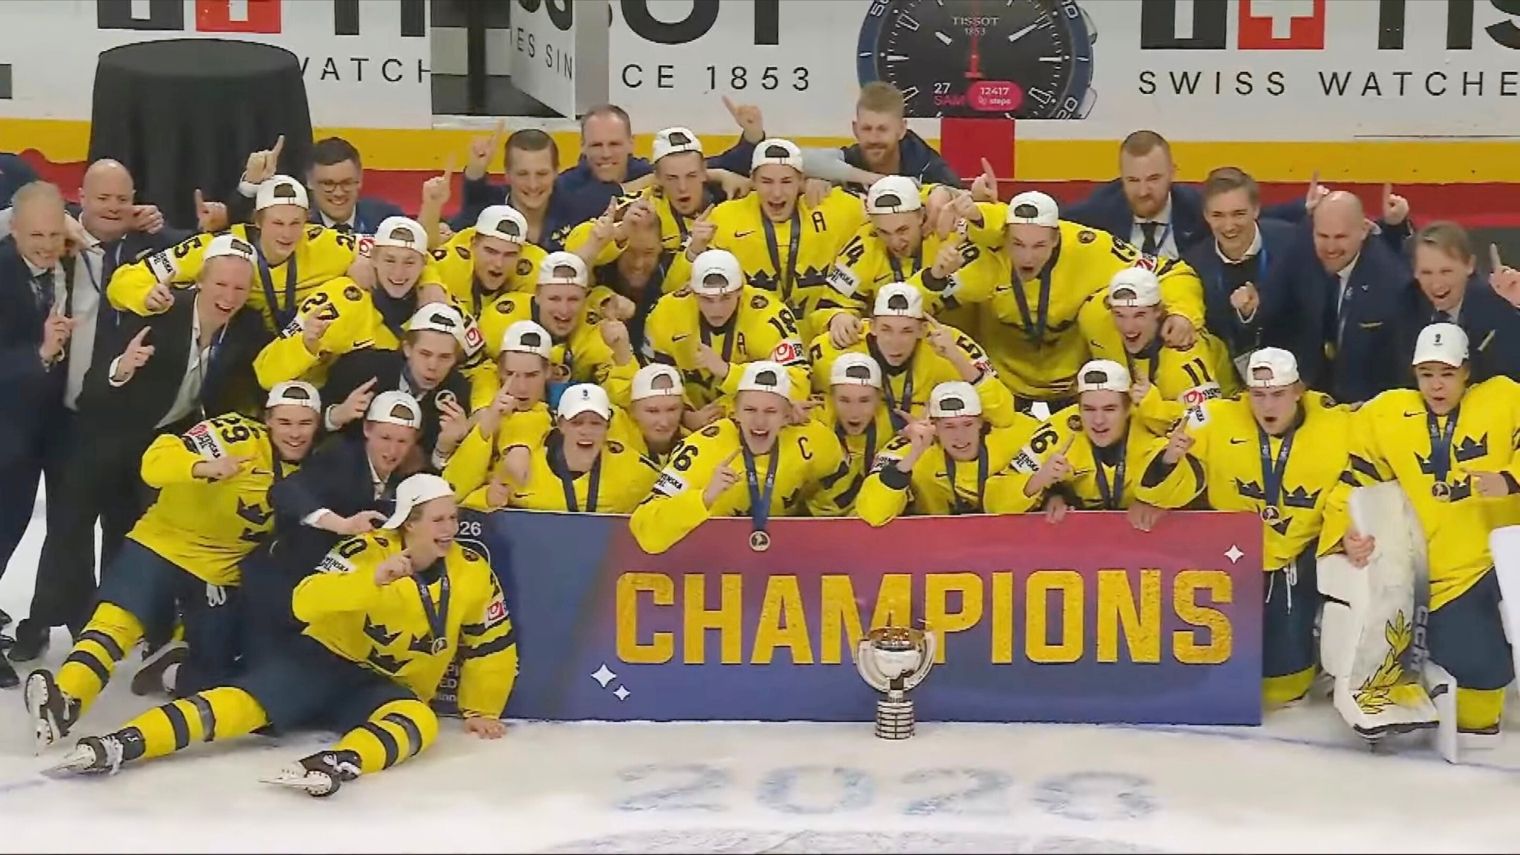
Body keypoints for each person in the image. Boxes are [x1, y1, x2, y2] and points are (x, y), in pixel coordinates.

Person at [47, 474, 518, 799]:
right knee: (239, 703)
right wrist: (371, 581)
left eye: (452, 519)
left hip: (381, 685)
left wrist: (482, 707)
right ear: (409, 522)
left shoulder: (472, 570)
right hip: (322, 660)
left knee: (418, 720)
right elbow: (305, 600)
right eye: (438, 520)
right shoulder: (364, 549)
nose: (450, 530)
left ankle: (337, 763)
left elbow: (491, 641)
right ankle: (126, 742)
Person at [14, 234, 268, 664]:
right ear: (200, 281)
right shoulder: (161, 311)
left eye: (239, 288)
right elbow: (96, 381)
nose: (229, 296)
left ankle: (120, 626)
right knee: (68, 534)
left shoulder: (246, 329)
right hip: (102, 436)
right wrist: (121, 368)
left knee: (134, 535)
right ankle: (39, 624)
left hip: (161, 444)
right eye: (221, 284)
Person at [24, 382, 321, 744]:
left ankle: (171, 656)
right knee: (116, 621)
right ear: (267, 419)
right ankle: (66, 698)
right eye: (285, 422)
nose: (294, 433)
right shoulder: (236, 436)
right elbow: (157, 459)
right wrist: (200, 466)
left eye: (304, 423)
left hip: (219, 574)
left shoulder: (321, 466)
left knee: (211, 674)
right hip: (163, 544)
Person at [1327, 323, 1520, 741]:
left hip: (1509, 558)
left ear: (1466, 371)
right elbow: (1351, 483)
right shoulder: (1388, 414)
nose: (1436, 385)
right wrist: (1347, 531)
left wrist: (1510, 478)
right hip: (1450, 575)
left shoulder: (1504, 399)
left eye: (1447, 374)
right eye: (1426, 374)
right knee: (1479, 707)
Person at [1135, 348, 1349, 706]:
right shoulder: (1213, 418)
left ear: (1298, 391)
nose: (1268, 406)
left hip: (1297, 551)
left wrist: (1347, 528)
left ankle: (1315, 642)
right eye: (1258, 395)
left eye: (1278, 395)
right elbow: (1170, 481)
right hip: (1232, 554)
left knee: (1285, 686)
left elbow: (1362, 477)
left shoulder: (1337, 423)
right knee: (1223, 675)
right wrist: (1169, 461)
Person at [950, 190, 1208, 412]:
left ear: (1056, 238)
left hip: (1077, 387)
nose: (1028, 258)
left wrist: (1182, 312)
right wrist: (936, 276)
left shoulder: (1089, 248)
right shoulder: (982, 255)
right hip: (1001, 386)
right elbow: (924, 300)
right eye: (1018, 244)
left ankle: (1121, 397)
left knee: (1101, 307)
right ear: (1005, 236)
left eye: (1039, 245)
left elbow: (1170, 271)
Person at [240, 391, 423, 663]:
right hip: (279, 586)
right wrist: (341, 524)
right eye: (385, 438)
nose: (393, 450)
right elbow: (285, 491)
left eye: (402, 441)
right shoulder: (340, 458)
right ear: (367, 429)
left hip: (328, 596)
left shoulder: (408, 476)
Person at [630, 361, 844, 555]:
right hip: (711, 561)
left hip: (785, 562)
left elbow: (840, 510)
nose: (759, 421)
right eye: (750, 409)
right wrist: (704, 498)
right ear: (734, 412)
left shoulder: (817, 441)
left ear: (787, 415)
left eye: (770, 411)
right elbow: (644, 528)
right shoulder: (702, 448)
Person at [108, 175, 366, 333]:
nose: (287, 234)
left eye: (295, 223)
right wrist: (144, 296)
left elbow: (384, 247)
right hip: (238, 353)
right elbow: (123, 281)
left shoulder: (326, 242)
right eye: (277, 223)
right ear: (258, 221)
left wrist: (366, 264)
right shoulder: (216, 247)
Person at [250, 216, 483, 391]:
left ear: (424, 263)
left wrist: (481, 410)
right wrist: (305, 345)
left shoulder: (441, 306)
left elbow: (480, 365)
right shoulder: (338, 299)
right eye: (389, 260)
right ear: (373, 258)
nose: (398, 273)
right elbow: (265, 372)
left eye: (409, 262)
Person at [680, 139, 866, 336]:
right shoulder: (724, 217)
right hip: (754, 341)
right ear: (752, 181)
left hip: (821, 335)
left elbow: (885, 210)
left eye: (786, 182)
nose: (777, 193)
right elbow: (678, 289)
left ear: (801, 181)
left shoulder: (835, 207)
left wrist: (830, 181)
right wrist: (693, 251)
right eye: (767, 182)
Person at [0, 184, 75, 658]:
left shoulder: (71, 263)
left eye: (54, 233)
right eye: (36, 236)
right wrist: (41, 353)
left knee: (13, 526)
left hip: (45, 428)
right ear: (13, 230)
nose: (47, 245)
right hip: (5, 426)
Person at [988, 360, 1187, 527]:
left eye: (1109, 409)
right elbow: (993, 499)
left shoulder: (1155, 425)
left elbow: (1195, 482)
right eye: (1089, 409)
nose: (1098, 420)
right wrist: (1040, 483)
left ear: (1128, 409)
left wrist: (1160, 496)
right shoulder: (1058, 432)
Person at [1267, 190, 1412, 405]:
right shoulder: (1300, 250)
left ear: (1364, 230)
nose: (1331, 248)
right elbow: (1274, 313)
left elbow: (1398, 364)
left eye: (1340, 237)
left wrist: (1371, 406)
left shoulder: (1391, 280)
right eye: (1323, 236)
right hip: (1304, 395)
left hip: (1366, 403)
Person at [1064, 131, 1306, 258]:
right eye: (1133, 180)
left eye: (1154, 179)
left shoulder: (1195, 206)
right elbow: (1056, 216)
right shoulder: (1102, 209)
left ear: (1173, 172)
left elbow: (1258, 215)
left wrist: (1307, 206)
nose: (1143, 191)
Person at [811, 282, 1017, 430]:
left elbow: (1004, 414)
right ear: (871, 326)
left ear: (922, 330)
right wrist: (834, 315)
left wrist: (957, 359)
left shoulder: (949, 345)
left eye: (906, 331)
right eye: (886, 329)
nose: (895, 341)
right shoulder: (837, 348)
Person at [645, 248, 810, 421]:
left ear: (740, 291)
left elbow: (799, 383)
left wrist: (728, 372)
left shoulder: (770, 316)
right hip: (685, 422)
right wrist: (684, 416)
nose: (716, 309)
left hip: (751, 420)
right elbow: (651, 382)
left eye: (725, 298)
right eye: (707, 299)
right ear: (692, 293)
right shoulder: (666, 313)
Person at [813, 175, 983, 336]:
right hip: (893, 346)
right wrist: (837, 317)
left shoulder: (948, 230)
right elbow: (829, 305)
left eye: (902, 230)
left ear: (921, 215)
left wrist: (953, 193)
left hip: (959, 343)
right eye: (884, 232)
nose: (895, 242)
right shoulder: (864, 247)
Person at [1080, 267, 1238, 432]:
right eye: (1119, 315)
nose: (1128, 327)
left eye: (1139, 315)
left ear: (1158, 311)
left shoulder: (1185, 357)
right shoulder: (1095, 321)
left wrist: (1153, 407)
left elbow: (1206, 425)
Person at [856, 381, 1037, 524]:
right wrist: (911, 458)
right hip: (934, 544)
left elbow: (1052, 456)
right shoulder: (907, 450)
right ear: (933, 426)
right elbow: (872, 513)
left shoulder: (1019, 432)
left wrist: (1052, 495)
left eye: (967, 424)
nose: (960, 436)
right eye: (949, 427)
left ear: (981, 422)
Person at [472, 250, 636, 408]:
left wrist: (622, 355)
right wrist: (485, 405)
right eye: (554, 299)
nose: (564, 310)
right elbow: (475, 369)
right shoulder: (500, 321)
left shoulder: (598, 334)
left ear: (586, 297)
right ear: (537, 294)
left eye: (573, 299)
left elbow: (624, 402)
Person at [320, 304, 475, 469]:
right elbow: (309, 426)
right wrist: (335, 416)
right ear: (407, 349)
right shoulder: (362, 368)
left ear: (455, 359)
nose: (433, 366)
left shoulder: (456, 394)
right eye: (425, 354)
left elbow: (433, 472)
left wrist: (443, 450)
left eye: (444, 357)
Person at [463, 383, 659, 513]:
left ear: (607, 427)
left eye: (596, 423)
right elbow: (466, 509)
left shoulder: (633, 471)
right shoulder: (524, 468)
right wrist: (488, 499)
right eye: (577, 423)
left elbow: (665, 505)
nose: (586, 431)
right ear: (560, 425)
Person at [1180, 167, 1301, 368]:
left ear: (1256, 209)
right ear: (1206, 215)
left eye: (1238, 214)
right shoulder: (1193, 264)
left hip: (1288, 372)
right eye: (1218, 215)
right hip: (1222, 377)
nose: (1229, 226)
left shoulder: (1290, 244)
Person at [440, 321, 558, 500]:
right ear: (500, 371)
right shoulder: (484, 405)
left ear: (548, 371)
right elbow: (452, 490)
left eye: (532, 375)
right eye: (511, 374)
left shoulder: (565, 410)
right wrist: (488, 422)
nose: (522, 387)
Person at [1398, 222, 1520, 383]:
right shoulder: (1406, 305)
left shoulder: (1500, 306)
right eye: (1426, 273)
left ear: (1469, 265)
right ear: (1414, 271)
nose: (1436, 284)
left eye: (1446, 271)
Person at [804, 353, 895, 517]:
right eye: (844, 400)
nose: (854, 412)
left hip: (873, 516)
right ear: (831, 397)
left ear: (879, 399)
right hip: (810, 518)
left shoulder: (895, 423)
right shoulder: (813, 415)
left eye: (864, 400)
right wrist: (785, 415)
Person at [832, 82, 961, 190]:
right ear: (855, 129)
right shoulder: (848, 160)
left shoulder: (926, 165)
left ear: (901, 130)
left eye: (882, 129)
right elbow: (818, 161)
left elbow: (958, 193)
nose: (873, 139)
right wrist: (875, 179)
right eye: (866, 129)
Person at [430, 205, 547, 316]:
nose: (498, 263)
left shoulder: (539, 272)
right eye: (491, 251)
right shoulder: (445, 267)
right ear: (473, 244)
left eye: (509, 255)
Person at [304, 137, 404, 234]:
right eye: (328, 184)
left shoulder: (387, 220)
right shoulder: (299, 227)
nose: (339, 193)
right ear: (309, 182)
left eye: (346, 183)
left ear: (359, 179)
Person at [614, 364, 687, 465]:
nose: (664, 422)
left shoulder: (693, 442)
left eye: (672, 410)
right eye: (653, 411)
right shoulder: (616, 437)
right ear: (632, 411)